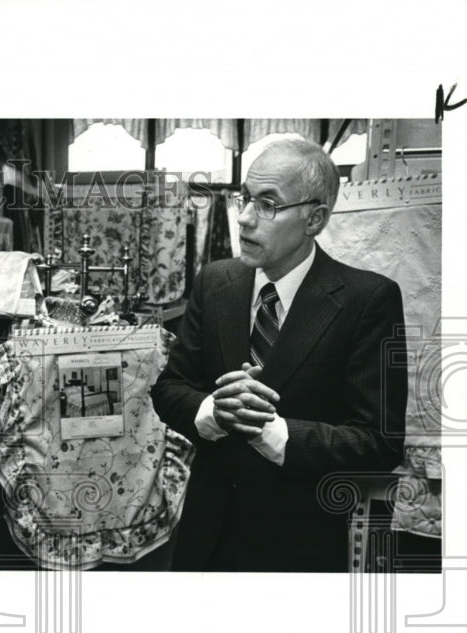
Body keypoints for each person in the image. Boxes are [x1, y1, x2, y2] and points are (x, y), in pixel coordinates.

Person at [151, 138, 407, 572]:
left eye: (268, 204)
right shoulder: (215, 282)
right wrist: (215, 410)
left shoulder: (368, 300)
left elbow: (379, 443)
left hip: (299, 543)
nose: (246, 218)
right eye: (245, 198)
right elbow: (169, 390)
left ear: (315, 219)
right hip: (204, 535)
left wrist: (269, 430)